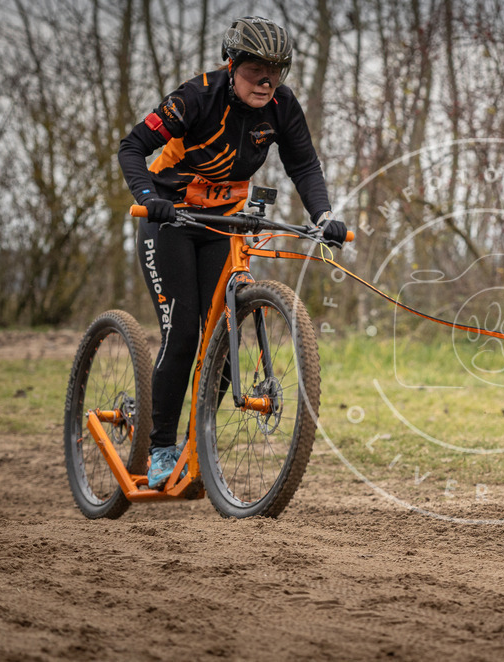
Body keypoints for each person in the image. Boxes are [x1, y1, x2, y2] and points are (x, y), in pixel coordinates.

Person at [118, 16, 347, 488]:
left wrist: (323, 217)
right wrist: (148, 197)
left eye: (275, 71)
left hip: (224, 222)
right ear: (231, 65)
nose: (266, 81)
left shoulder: (282, 105)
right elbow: (132, 147)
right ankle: (160, 447)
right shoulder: (195, 97)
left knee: (224, 341)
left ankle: (194, 443)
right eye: (255, 69)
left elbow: (304, 164)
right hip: (170, 221)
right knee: (183, 334)